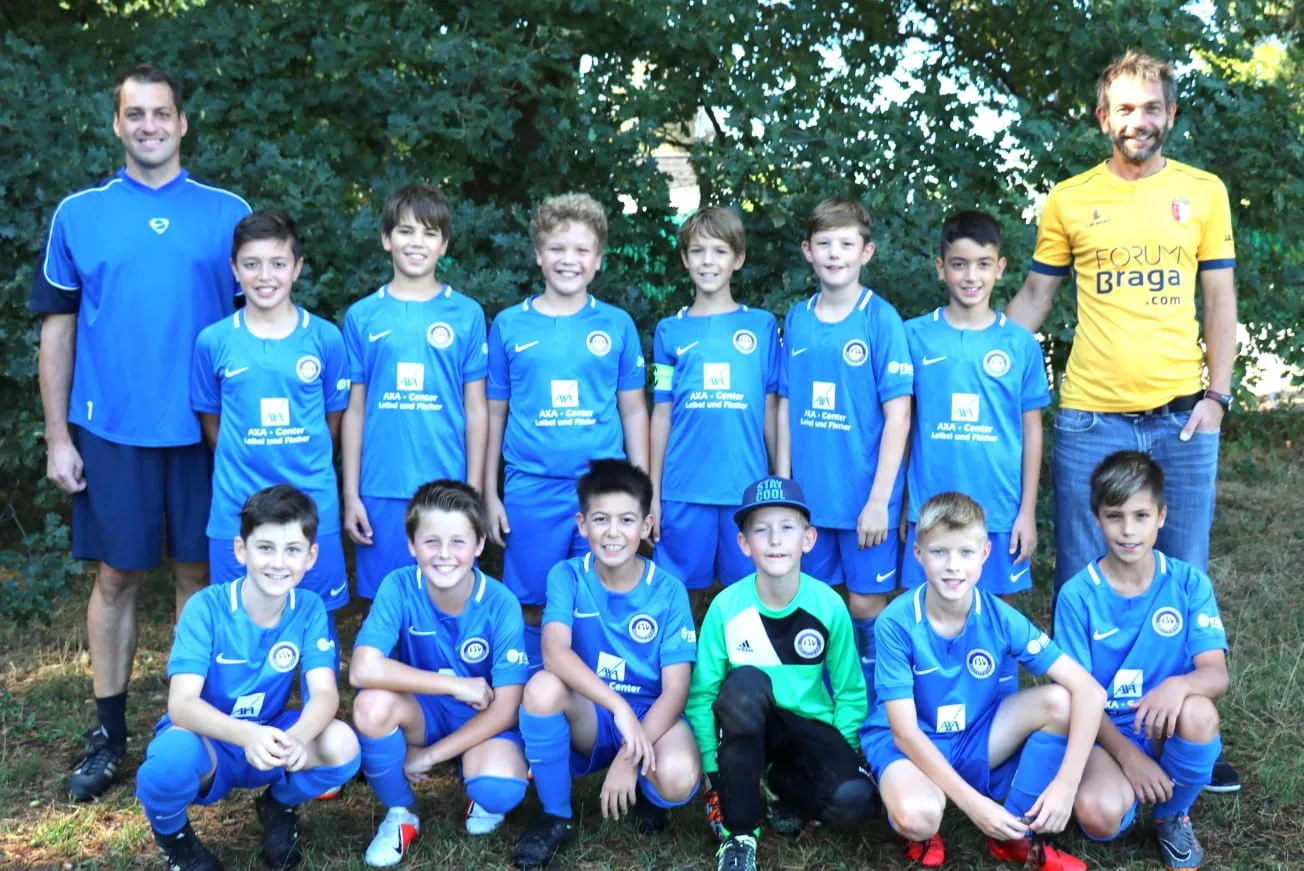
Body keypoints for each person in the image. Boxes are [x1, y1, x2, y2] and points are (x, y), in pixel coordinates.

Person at [1004, 49, 1238, 791]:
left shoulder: (1203, 193)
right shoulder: (1070, 199)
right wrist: (978, 359)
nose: (1140, 120)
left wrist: (1218, 396)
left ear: (1171, 113)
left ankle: (1182, 727)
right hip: (1090, 418)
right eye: (1126, 108)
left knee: (1182, 571)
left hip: (1183, 419)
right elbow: (1035, 299)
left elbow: (1220, 301)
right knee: (1083, 578)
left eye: (1153, 107)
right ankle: (1090, 737)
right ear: (1104, 117)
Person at [31, 63, 251, 800]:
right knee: (116, 576)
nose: (149, 125)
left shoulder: (227, 214)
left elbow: (261, 324)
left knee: (198, 575)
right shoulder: (80, 214)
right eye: (136, 114)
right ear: (117, 124)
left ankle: (186, 728)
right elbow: (58, 330)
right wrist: (58, 437)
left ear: (182, 123)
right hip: (112, 430)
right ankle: (109, 734)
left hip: (206, 430)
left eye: (162, 113)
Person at [862, 492, 1103, 870]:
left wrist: (1066, 785)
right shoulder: (896, 622)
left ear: (985, 553)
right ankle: (921, 823)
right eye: (939, 552)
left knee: (1063, 701)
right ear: (918, 553)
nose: (953, 566)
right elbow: (905, 733)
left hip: (975, 733)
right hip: (913, 740)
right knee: (918, 815)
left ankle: (1015, 834)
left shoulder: (1000, 616)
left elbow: (1090, 690)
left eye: (965, 552)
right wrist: (975, 806)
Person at [133, 485, 361, 871]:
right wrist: (246, 735)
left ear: (311, 556)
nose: (278, 562)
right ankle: (175, 839)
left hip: (271, 734)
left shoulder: (309, 608)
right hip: (210, 739)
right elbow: (182, 705)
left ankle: (279, 805)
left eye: (293, 550)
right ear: (241, 550)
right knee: (167, 764)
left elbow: (324, 693)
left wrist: (296, 738)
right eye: (265, 547)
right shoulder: (205, 607)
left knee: (342, 744)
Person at [483, 193, 649, 669]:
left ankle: (601, 700)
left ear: (598, 260)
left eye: (581, 250)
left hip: (602, 491)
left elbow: (634, 411)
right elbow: (494, 414)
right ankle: (533, 698)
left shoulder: (616, 324)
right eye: (557, 248)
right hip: (531, 487)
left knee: (601, 598)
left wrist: (643, 492)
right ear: (539, 254)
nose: (568, 260)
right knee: (532, 604)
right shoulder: (510, 324)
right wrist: (490, 493)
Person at [512, 460, 700, 869]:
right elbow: (554, 652)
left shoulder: (668, 590)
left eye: (627, 520)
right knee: (541, 689)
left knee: (679, 777)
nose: (613, 532)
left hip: (651, 712)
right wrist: (617, 708)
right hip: (594, 711)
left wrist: (629, 756)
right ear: (582, 525)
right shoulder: (567, 576)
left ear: (646, 526)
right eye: (601, 519)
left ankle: (649, 795)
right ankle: (555, 816)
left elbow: (676, 691)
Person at [688, 476, 876, 871]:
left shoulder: (828, 606)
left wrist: (835, 755)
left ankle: (782, 788)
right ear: (745, 544)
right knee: (745, 684)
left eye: (787, 528)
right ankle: (740, 833)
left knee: (857, 799)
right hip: (748, 727)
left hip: (807, 728)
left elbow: (850, 692)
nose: (775, 540)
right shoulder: (726, 607)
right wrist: (711, 770)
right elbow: (702, 695)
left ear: (808, 539)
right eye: (762, 530)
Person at [1054, 451, 1229, 870]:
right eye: (1115, 516)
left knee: (1200, 714)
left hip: (1163, 721)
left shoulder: (1188, 583)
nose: (1128, 530)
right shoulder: (1077, 595)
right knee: (1098, 817)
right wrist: (1130, 759)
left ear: (1161, 517)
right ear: (1097, 519)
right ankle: (1129, 790)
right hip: (1102, 729)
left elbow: (1216, 674)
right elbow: (1078, 696)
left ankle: (1172, 814)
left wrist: (1179, 685)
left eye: (1141, 515)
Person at [902, 210, 1051, 696]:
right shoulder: (913, 336)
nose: (971, 276)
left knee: (994, 618)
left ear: (1000, 268)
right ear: (940, 268)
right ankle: (929, 712)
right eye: (960, 264)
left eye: (983, 264)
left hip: (999, 510)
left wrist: (1026, 511)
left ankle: (996, 713)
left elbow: (1032, 430)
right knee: (926, 616)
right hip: (928, 510)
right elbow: (901, 423)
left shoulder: (1019, 344)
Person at [350, 480, 529, 866]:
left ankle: (472, 772)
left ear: (479, 545)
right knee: (370, 706)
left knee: (500, 790)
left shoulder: (501, 602)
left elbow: (507, 707)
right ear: (412, 545)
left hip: (481, 717)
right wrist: (453, 684)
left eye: (458, 542)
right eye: (431, 542)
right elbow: (362, 668)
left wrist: (429, 756)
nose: (444, 555)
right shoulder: (398, 586)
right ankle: (401, 812)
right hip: (425, 712)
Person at [776, 197, 913, 698]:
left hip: (864, 502)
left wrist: (880, 500)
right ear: (807, 251)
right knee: (815, 605)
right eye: (825, 244)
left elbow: (899, 415)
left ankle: (874, 712)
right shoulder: (797, 319)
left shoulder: (881, 319)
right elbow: (786, 404)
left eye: (846, 244)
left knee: (864, 605)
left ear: (866, 252)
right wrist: (784, 488)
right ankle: (822, 712)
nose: (835, 254)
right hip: (810, 501)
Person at [191, 210, 351, 635]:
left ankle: (317, 684)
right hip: (235, 506)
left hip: (312, 503)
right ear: (234, 270)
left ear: (297, 268)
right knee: (236, 626)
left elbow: (333, 419)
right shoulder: (213, 341)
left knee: (316, 622)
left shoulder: (325, 338)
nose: (265, 276)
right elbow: (212, 421)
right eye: (252, 264)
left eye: (278, 263)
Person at [341, 185, 489, 600]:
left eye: (429, 233)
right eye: (405, 231)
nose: (416, 242)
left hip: (447, 488)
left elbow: (476, 410)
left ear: (444, 245)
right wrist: (351, 494)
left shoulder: (467, 314)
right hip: (381, 487)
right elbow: (355, 411)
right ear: (386, 239)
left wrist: (473, 491)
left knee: (447, 600)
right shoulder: (362, 315)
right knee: (385, 604)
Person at [650, 206, 780, 616]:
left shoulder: (761, 326)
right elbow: (661, 414)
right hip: (683, 489)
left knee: (749, 602)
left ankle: (739, 663)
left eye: (720, 251)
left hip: (746, 490)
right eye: (698, 251)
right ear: (685, 258)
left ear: (738, 259)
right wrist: (653, 492)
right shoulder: (669, 330)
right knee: (678, 601)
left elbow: (770, 407)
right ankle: (679, 662)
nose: (708, 262)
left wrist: (779, 481)